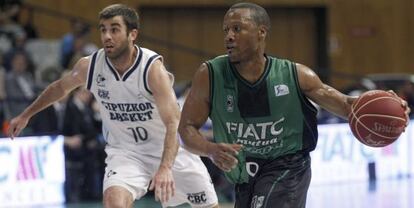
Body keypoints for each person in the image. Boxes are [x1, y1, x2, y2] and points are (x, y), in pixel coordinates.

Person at [178, 2, 411, 208]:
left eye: (237, 29)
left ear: (261, 33)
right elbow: (186, 128)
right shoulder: (210, 74)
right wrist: (210, 150)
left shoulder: (296, 75)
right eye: (226, 30)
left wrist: (389, 105)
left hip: (287, 168)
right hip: (243, 175)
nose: (229, 35)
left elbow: (348, 105)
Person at [8, 4, 218, 208]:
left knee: (209, 205)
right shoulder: (90, 66)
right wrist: (26, 115)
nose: (107, 36)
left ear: (132, 34)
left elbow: (173, 122)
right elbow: (59, 88)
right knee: (114, 202)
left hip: (169, 149)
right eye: (103, 30)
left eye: (115, 30)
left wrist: (165, 167)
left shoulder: (152, 69)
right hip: (126, 152)